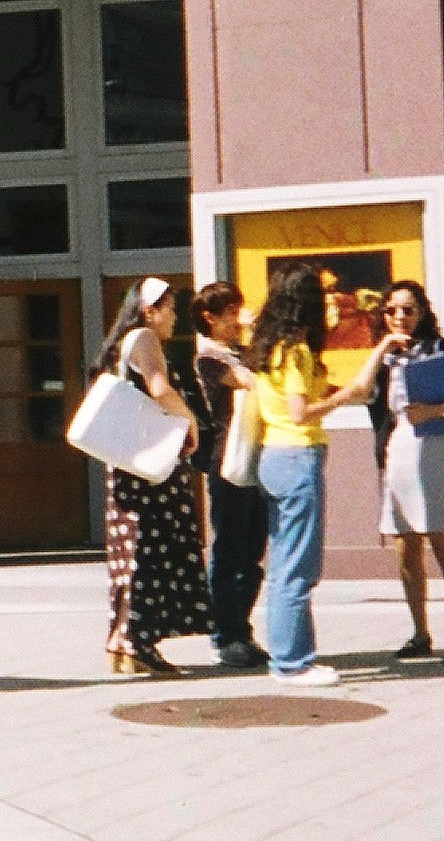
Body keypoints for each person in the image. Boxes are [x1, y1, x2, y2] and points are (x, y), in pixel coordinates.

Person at [247, 262, 403, 687]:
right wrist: (343, 400)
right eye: (321, 295)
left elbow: (327, 392)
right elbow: (301, 413)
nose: (331, 302)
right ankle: (292, 662)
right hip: (297, 456)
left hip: (275, 457)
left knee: (285, 562)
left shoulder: (269, 343)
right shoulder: (294, 348)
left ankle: (290, 656)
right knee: (297, 566)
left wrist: (376, 353)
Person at [95, 278, 211, 677]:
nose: (175, 317)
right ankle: (137, 641)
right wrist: (190, 421)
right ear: (150, 310)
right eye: (171, 308)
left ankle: (123, 640)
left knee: (131, 553)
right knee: (151, 549)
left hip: (129, 468)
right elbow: (159, 389)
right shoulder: (144, 338)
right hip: (150, 473)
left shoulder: (121, 344)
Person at [368, 279, 444, 665]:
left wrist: (434, 411)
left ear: (422, 312)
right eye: (391, 310)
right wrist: (383, 347)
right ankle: (419, 632)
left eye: (408, 309)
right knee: (406, 545)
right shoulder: (386, 357)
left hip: (436, 446)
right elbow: (365, 392)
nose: (399, 317)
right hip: (399, 448)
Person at [193, 282, 270, 667]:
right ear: (210, 317)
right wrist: (256, 334)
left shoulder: (239, 352)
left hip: (255, 457)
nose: (237, 318)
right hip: (227, 460)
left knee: (253, 553)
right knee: (228, 550)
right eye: (230, 312)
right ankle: (227, 634)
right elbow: (251, 381)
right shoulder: (208, 357)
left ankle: (242, 627)